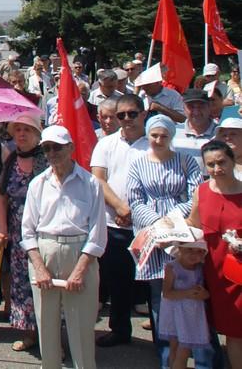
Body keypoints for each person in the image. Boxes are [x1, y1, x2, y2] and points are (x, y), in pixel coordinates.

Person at [21, 125, 107, 369]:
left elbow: (97, 233)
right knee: (46, 326)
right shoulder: (37, 184)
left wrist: (80, 270)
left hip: (80, 254)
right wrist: (39, 268)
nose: (52, 153)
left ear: (71, 148)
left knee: (81, 326)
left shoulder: (91, 183)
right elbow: (27, 231)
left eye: (57, 147)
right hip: (44, 252)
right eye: (47, 148)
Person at [127, 114, 204, 367]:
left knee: (188, 286)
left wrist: (172, 221)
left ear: (171, 136)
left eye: (164, 136)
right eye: (154, 135)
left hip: (180, 231)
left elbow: (195, 195)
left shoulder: (185, 161)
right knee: (160, 295)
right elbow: (135, 200)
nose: (159, 140)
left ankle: (196, 349)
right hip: (152, 233)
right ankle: (165, 354)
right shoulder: (138, 164)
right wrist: (158, 225)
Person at [91, 93, 151, 348]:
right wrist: (119, 206)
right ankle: (120, 330)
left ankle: (163, 337)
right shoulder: (106, 144)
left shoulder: (154, 142)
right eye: (121, 115)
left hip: (148, 226)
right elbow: (98, 179)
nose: (127, 119)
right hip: (114, 223)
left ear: (143, 114)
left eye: (132, 114)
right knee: (118, 281)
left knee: (151, 284)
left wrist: (137, 212)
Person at [0, 112, 48, 354]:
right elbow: (1, 197)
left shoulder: (46, 159)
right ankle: (30, 334)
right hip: (18, 235)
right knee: (23, 285)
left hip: (45, 233)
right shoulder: (12, 159)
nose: (22, 134)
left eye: (27, 130)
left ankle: (51, 338)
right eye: (18, 130)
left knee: (46, 284)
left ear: (36, 134)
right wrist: (2, 228)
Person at [188, 140, 242, 367]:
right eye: (211, 165)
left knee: (238, 328)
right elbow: (193, 224)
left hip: (239, 272)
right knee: (231, 329)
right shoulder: (201, 191)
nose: (217, 169)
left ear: (232, 161)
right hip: (213, 272)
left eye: (222, 162)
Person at [158, 231, 213, 369]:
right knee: (175, 347)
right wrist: (187, 293)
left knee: (184, 350)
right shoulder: (172, 267)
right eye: (190, 250)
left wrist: (204, 294)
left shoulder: (200, 268)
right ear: (180, 249)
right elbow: (167, 293)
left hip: (192, 315)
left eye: (199, 251)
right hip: (175, 313)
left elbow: (207, 294)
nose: (194, 255)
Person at [174, 89, 218, 166]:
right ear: (183, 108)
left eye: (201, 106)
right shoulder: (174, 132)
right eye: (191, 107)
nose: (196, 112)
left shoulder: (220, 132)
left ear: (209, 107)